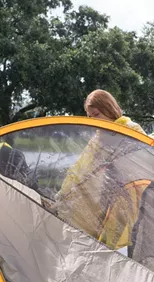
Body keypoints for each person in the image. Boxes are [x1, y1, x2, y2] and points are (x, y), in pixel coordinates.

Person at [52, 90, 146, 249]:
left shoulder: (131, 130)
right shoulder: (97, 138)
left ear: (109, 109)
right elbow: (80, 169)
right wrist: (62, 196)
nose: (93, 121)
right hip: (101, 197)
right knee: (97, 244)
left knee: (117, 245)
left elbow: (144, 163)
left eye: (96, 114)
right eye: (89, 117)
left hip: (125, 198)